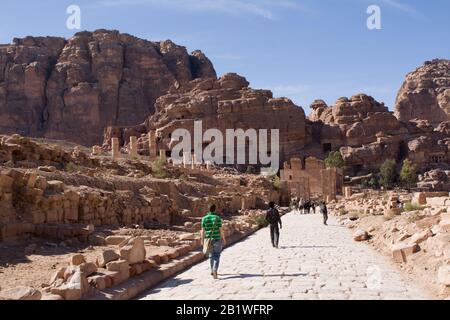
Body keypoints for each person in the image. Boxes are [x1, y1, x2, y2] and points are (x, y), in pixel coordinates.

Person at [200, 204, 226, 279]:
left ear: (208, 210)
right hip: (217, 238)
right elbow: (221, 230)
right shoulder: (217, 218)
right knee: (217, 255)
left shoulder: (204, 218)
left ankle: (212, 270)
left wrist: (202, 240)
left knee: (211, 255)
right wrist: (224, 239)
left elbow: (203, 231)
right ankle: (215, 269)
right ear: (215, 209)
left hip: (208, 239)